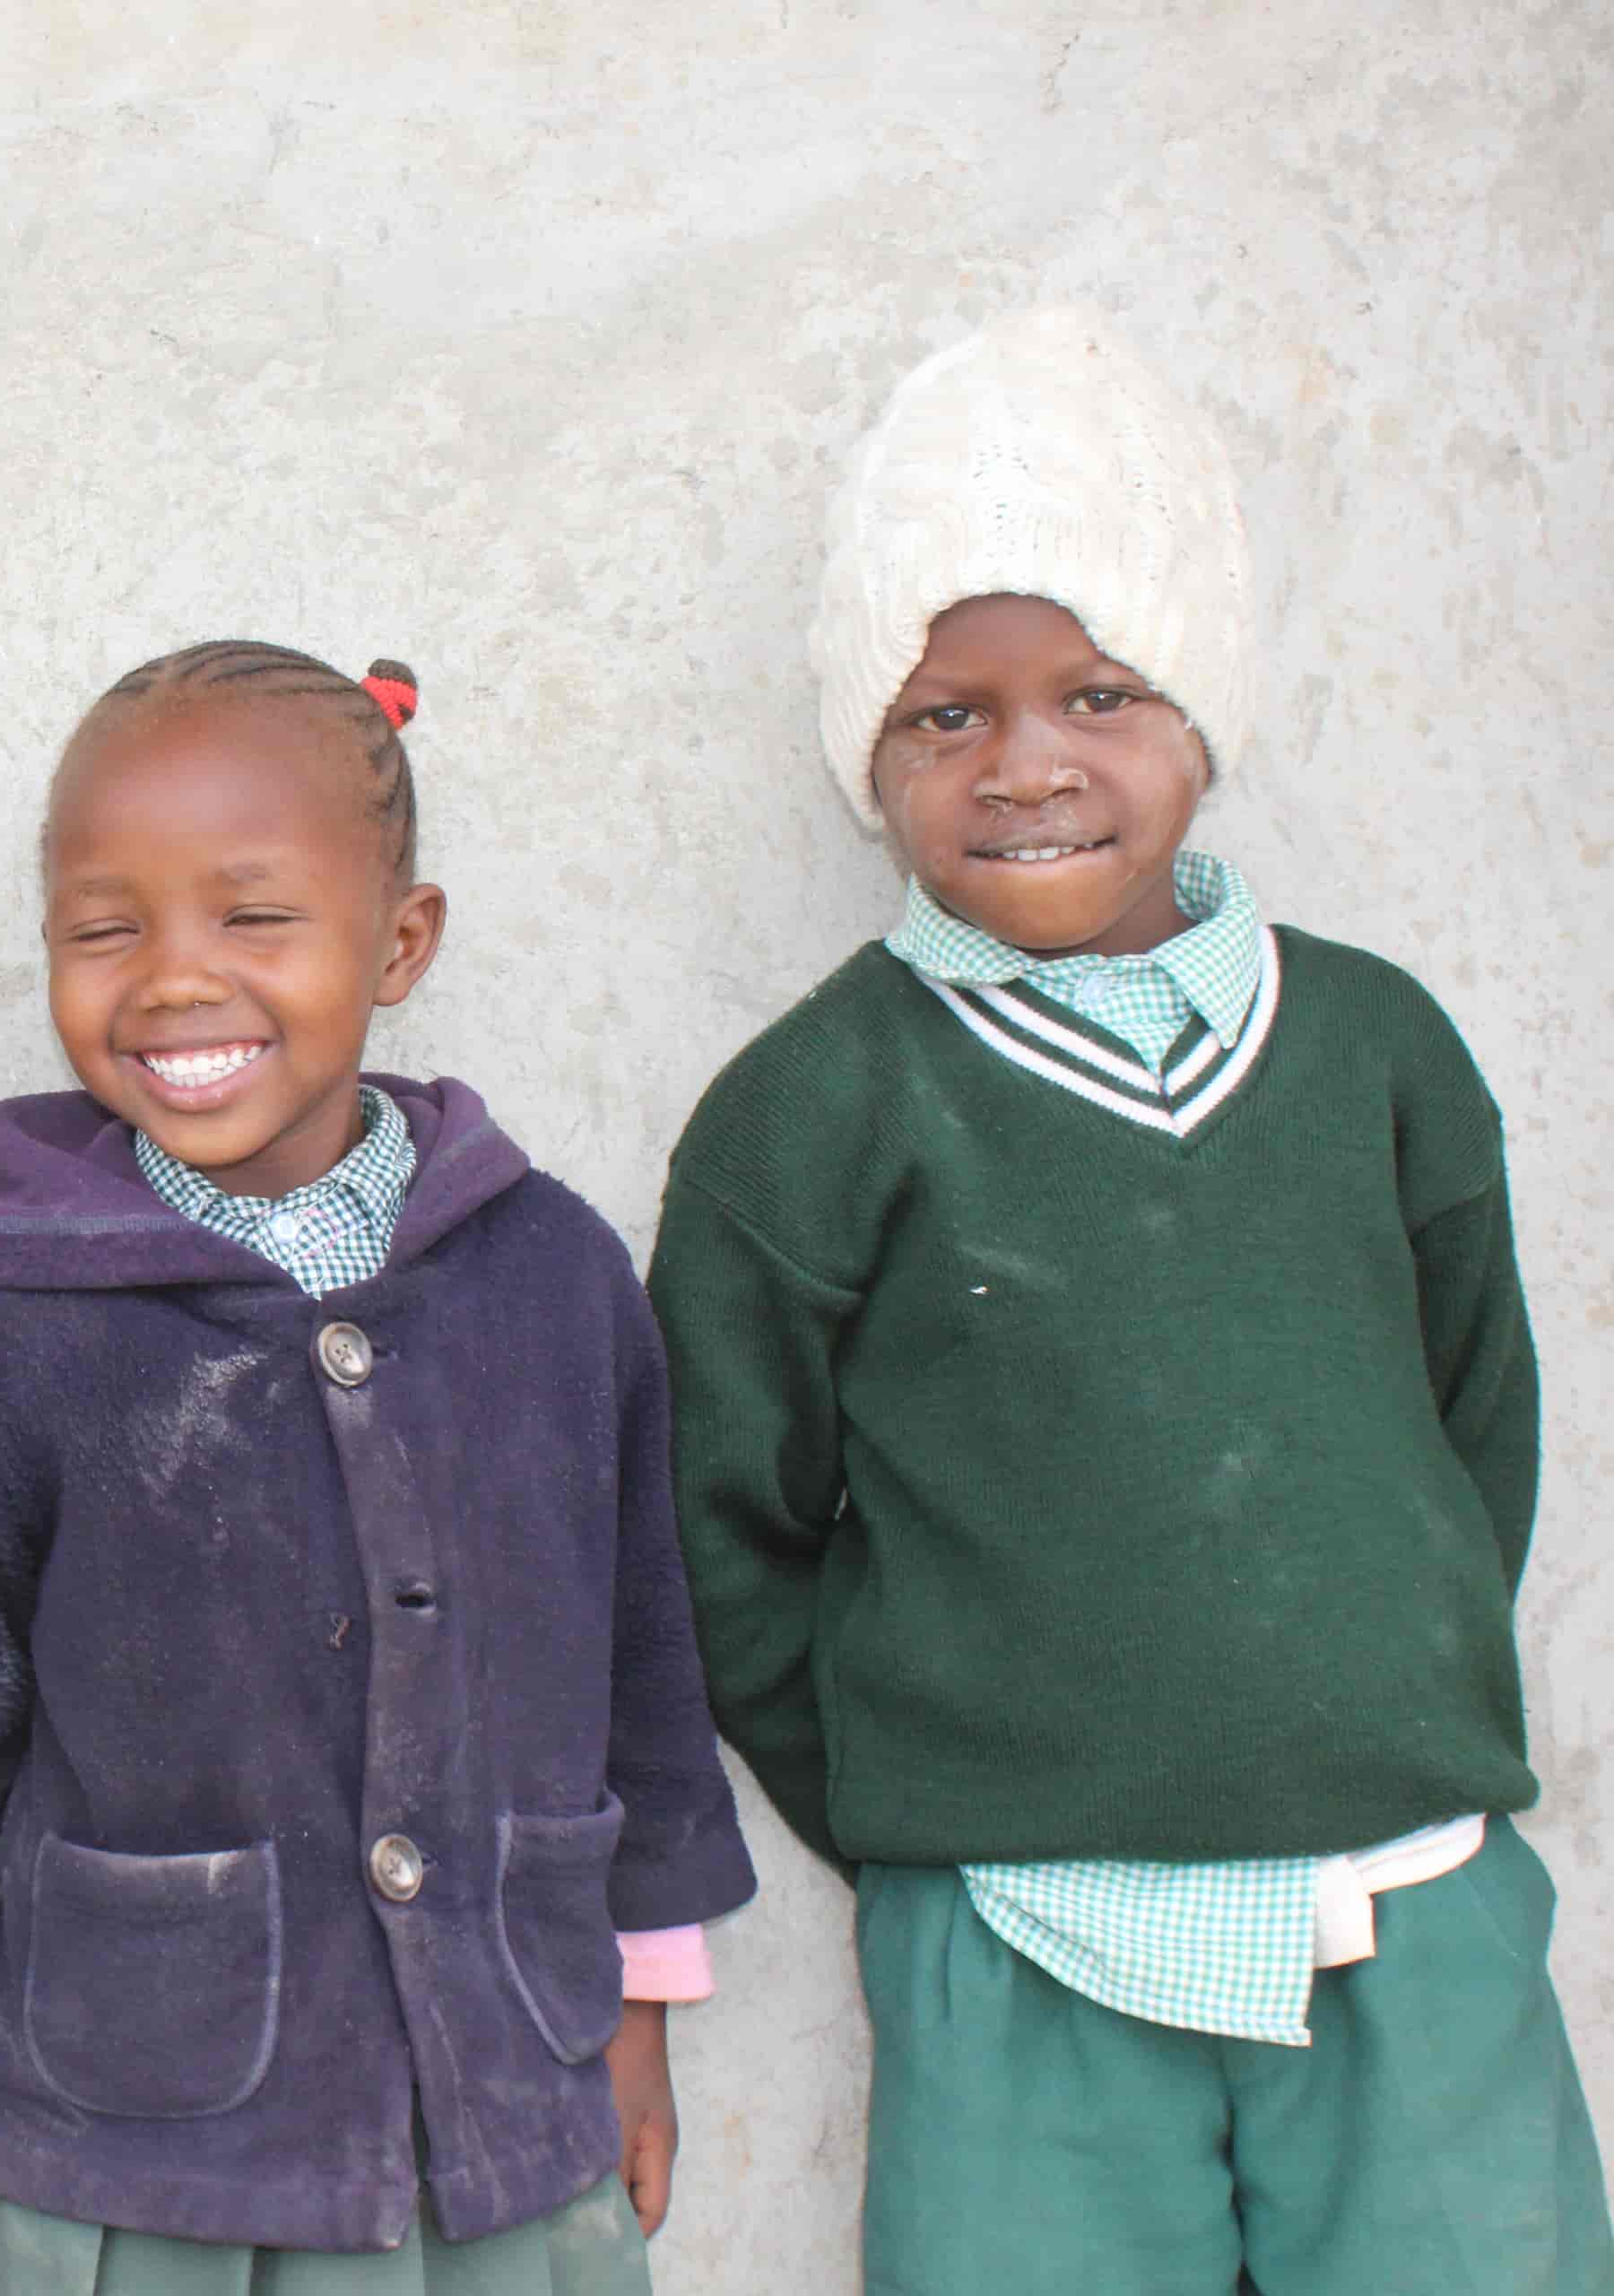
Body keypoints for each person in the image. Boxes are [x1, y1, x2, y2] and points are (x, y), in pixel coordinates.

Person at [649, 307, 1614, 2293]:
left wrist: (1363, 1683)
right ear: (871, 749)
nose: (1027, 766)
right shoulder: (810, 1111)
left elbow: (1469, 1419)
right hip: (1020, 1930)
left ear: (1203, 709)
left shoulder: (1377, 1050)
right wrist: (940, 1787)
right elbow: (722, 1530)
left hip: (1404, 1899)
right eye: (948, 714)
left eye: (1097, 690)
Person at [0, 644, 754, 2294]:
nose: (174, 980)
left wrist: (632, 2014)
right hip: (135, 2152)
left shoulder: (552, 1273)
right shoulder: (4, 1318)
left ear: (401, 942)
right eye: (104, 926)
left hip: (503, 2104)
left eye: (253, 916)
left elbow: (636, 1656)